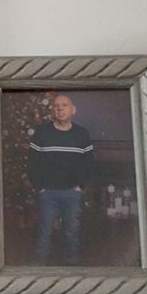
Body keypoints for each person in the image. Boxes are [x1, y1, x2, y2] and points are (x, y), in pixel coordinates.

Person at [28, 93, 93, 265]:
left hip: (73, 193)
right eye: (56, 105)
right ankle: (37, 274)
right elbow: (32, 163)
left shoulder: (82, 134)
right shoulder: (42, 133)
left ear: (73, 110)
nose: (60, 109)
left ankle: (71, 272)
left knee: (72, 233)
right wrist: (39, 187)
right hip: (47, 193)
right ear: (52, 110)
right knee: (45, 234)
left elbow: (89, 163)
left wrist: (81, 186)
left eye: (64, 105)